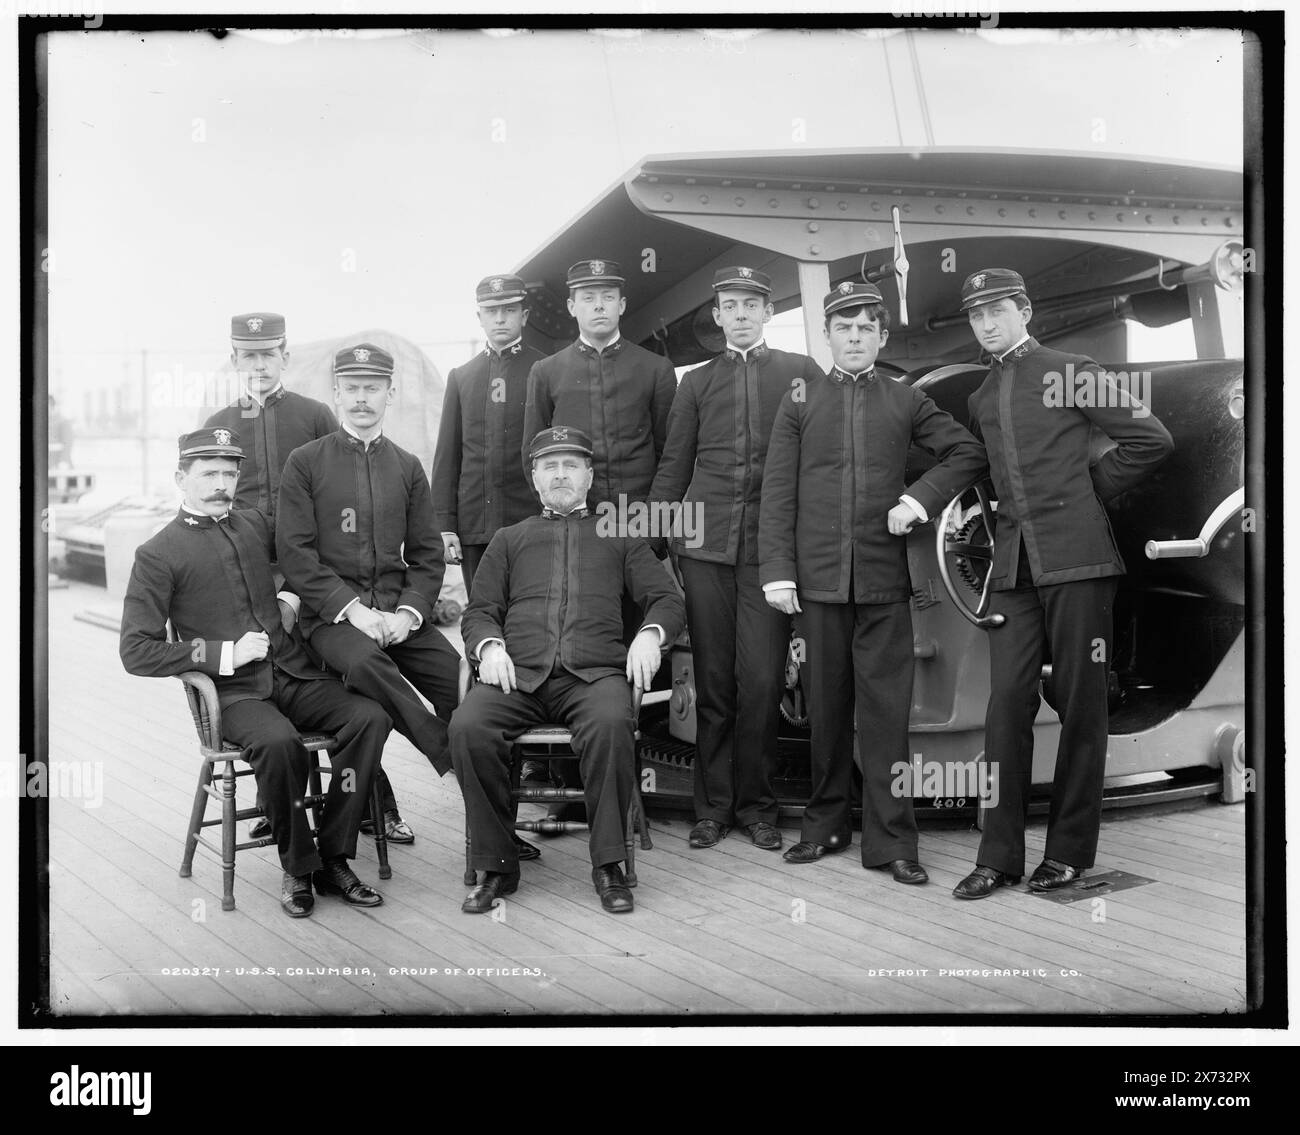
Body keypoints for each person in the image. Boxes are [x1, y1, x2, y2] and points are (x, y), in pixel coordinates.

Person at [951, 268, 1174, 899]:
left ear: (1024, 311)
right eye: (976, 315)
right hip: (1013, 568)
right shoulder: (977, 397)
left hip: (1078, 559)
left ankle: (1070, 852)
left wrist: (1087, 494)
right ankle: (998, 857)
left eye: (997, 310)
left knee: (1081, 707)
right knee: (1005, 710)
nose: (987, 324)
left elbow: (1150, 439)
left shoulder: (1071, 368)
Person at [759, 281, 987, 884]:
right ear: (827, 335)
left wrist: (919, 499)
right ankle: (825, 825)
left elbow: (966, 452)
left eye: (865, 328)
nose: (854, 337)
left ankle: (893, 843)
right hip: (818, 585)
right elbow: (777, 491)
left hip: (885, 585)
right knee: (826, 714)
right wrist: (778, 571)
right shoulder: (800, 398)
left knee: (887, 717)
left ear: (881, 337)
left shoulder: (905, 401)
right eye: (843, 327)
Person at [120, 428, 391, 919]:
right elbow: (136, 650)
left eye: (229, 472)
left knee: (370, 718)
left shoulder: (253, 524)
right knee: (278, 745)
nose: (221, 483)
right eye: (208, 473)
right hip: (234, 694)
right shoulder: (158, 553)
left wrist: (288, 596)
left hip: (293, 674)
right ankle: (299, 865)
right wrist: (223, 653)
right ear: (181, 478)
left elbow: (302, 556)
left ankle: (334, 854)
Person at [452, 427, 685, 915]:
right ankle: (496, 864)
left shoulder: (618, 536)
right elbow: (479, 610)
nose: (560, 474)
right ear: (535, 478)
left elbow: (664, 598)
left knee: (610, 724)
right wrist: (489, 647)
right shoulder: (509, 539)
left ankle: (608, 864)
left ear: (589, 476)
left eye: (571, 465)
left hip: (593, 676)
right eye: (550, 466)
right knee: (469, 727)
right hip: (519, 675)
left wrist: (650, 634)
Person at [650, 266, 822, 852]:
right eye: (730, 304)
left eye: (752, 303)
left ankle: (758, 807)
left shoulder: (800, 374)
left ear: (768, 311)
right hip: (704, 551)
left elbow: (823, 458)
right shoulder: (695, 383)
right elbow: (675, 465)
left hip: (770, 557)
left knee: (764, 681)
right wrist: (653, 539)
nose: (741, 313)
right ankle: (713, 808)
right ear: (717, 316)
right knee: (715, 684)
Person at [276, 343, 463, 840]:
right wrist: (353, 611)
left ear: (390, 393)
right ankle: (439, 749)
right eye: (352, 389)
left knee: (461, 681)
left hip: (398, 614)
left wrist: (409, 614)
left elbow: (427, 555)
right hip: (333, 620)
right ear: (336, 394)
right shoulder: (306, 462)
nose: (362, 398)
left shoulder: (406, 466)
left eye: (372, 388)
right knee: (363, 664)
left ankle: (493, 820)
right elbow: (296, 553)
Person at [521, 258, 676, 512]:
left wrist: (654, 521)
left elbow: (671, 452)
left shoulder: (656, 368)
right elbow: (532, 452)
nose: (599, 306)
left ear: (622, 304)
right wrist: (558, 507)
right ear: (572, 306)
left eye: (608, 297)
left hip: (640, 515)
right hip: (575, 515)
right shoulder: (546, 371)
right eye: (588, 298)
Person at [431, 274, 547, 595]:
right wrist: (445, 526)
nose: (500, 318)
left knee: (534, 621)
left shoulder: (546, 369)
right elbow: (447, 458)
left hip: (532, 523)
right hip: (475, 527)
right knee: (483, 619)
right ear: (479, 317)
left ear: (524, 315)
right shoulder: (462, 377)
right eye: (491, 310)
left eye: (509, 309)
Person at [205, 313, 337, 521]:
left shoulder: (315, 415)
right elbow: (208, 493)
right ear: (235, 361)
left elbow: (337, 485)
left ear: (284, 359)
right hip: (242, 539)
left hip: (304, 540)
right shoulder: (218, 424)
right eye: (249, 356)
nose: (259, 365)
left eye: (268, 354)